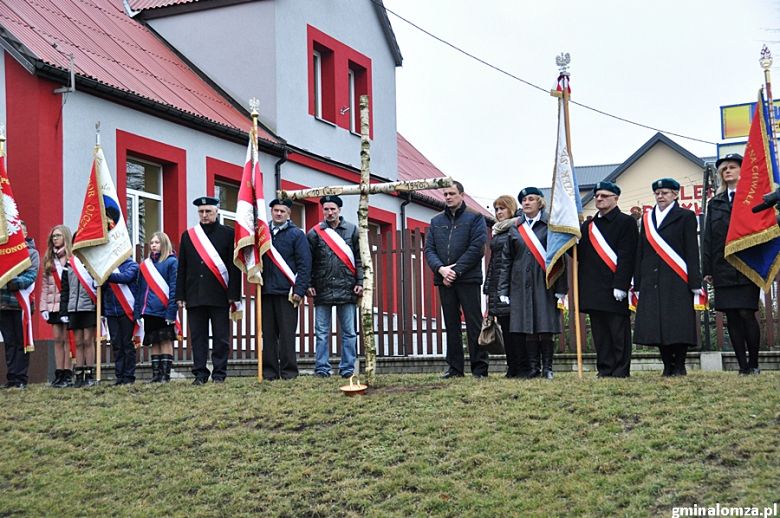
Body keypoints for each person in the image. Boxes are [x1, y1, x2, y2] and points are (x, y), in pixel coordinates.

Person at [634, 178, 703, 376]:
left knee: (678, 323)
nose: (660, 196)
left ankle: (679, 365)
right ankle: (667, 365)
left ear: (675, 194)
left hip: (677, 278)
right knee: (658, 325)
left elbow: (691, 250)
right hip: (652, 278)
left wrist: (695, 281)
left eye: (664, 193)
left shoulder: (686, 216)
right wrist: (638, 281)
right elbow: (642, 250)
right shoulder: (647, 218)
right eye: (657, 193)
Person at [498, 187, 567, 380]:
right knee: (527, 327)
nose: (526, 203)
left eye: (531, 199)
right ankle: (533, 368)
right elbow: (506, 260)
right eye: (524, 200)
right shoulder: (516, 228)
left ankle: (548, 368)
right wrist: (504, 288)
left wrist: (561, 288)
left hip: (545, 282)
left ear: (540, 203)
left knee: (545, 326)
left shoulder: (550, 226)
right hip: (520, 283)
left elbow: (560, 259)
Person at [702, 154, 762, 375]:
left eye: (732, 167)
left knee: (747, 313)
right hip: (722, 266)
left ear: (742, 170)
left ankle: (754, 364)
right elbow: (708, 238)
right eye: (724, 169)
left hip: (747, 265)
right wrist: (707, 269)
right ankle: (742, 367)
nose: (727, 171)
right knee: (732, 317)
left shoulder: (753, 198)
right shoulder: (715, 203)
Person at [424, 181, 488, 378]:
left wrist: (456, 271)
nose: (448, 197)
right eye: (445, 194)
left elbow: (477, 248)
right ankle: (454, 368)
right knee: (451, 324)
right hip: (444, 280)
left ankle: (479, 368)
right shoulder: (436, 221)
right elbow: (429, 249)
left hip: (468, 279)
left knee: (473, 323)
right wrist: (441, 270)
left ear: (461, 195)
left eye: (452, 193)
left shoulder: (475, 217)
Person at [176, 196, 241, 385]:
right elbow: (183, 267)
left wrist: (233, 295)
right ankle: (200, 374)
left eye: (208, 212)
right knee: (198, 338)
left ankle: (219, 373)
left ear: (216, 212)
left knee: (221, 337)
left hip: (219, 294)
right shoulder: (189, 235)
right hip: (194, 294)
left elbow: (233, 267)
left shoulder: (228, 234)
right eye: (201, 212)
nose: (204, 215)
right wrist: (180, 294)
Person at [576, 182, 638, 378]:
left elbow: (627, 255)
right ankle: (604, 369)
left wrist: (621, 284)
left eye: (604, 196)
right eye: (597, 196)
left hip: (614, 286)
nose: (599, 199)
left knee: (618, 331)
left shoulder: (626, 222)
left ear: (616, 198)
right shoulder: (589, 226)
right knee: (600, 333)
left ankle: (620, 370)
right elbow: (581, 255)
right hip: (593, 287)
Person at [307, 195, 363, 378]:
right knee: (321, 333)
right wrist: (309, 284)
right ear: (322, 210)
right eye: (326, 209)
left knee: (349, 333)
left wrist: (360, 282)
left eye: (333, 209)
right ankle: (322, 368)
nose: (329, 212)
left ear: (339, 210)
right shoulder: (314, 233)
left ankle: (347, 369)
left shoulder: (353, 231)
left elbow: (360, 259)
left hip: (347, 288)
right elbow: (308, 262)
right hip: (322, 288)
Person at [262, 199, 311, 381]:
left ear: (289, 214)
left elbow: (304, 264)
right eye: (276, 210)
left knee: (287, 334)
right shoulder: (263, 233)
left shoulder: (297, 235)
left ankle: (289, 372)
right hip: (266, 292)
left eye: (282, 211)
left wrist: (299, 290)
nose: (279, 214)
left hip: (287, 292)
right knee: (268, 335)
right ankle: (269, 372)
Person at [484, 195, 524, 377]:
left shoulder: (517, 228)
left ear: (511, 209)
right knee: (505, 327)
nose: (499, 212)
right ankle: (512, 366)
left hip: (511, 285)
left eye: (502, 208)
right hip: (497, 284)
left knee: (515, 328)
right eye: (496, 209)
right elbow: (493, 262)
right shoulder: (498, 231)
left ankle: (520, 366)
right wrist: (488, 286)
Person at [135, 231, 178, 383]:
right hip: (149, 310)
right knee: (154, 340)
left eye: (157, 242)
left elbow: (174, 288)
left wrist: (171, 312)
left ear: (164, 244)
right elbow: (140, 289)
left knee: (165, 340)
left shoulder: (172, 262)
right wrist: (138, 310)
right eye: (152, 242)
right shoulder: (146, 265)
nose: (153, 245)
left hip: (164, 308)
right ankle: (156, 375)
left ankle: (165, 376)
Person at [0, 225, 39, 389]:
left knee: (21, 341)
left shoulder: (31, 253)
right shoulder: (3, 252)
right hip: (3, 303)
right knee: (9, 342)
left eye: (20, 230)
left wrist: (11, 283)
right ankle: (12, 377)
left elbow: (31, 275)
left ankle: (21, 377)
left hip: (20, 303)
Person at [59, 244, 99, 388]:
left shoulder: (93, 262)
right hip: (73, 308)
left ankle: (89, 373)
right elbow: (65, 289)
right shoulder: (69, 264)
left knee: (88, 340)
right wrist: (64, 311)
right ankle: (79, 374)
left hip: (88, 307)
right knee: (78, 342)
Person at [40, 225, 74, 388]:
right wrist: (43, 307)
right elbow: (45, 286)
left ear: (65, 237)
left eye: (58, 236)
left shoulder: (71, 258)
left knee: (68, 340)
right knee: (58, 339)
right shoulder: (49, 258)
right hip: (53, 305)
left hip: (66, 303)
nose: (55, 239)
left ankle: (68, 372)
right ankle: (59, 372)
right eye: (53, 236)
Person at [102, 256, 139, 385]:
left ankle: (129, 376)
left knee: (127, 344)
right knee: (117, 345)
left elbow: (125, 278)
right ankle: (119, 376)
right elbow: (101, 286)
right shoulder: (107, 265)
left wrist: (105, 274)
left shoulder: (132, 265)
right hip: (111, 311)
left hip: (126, 311)